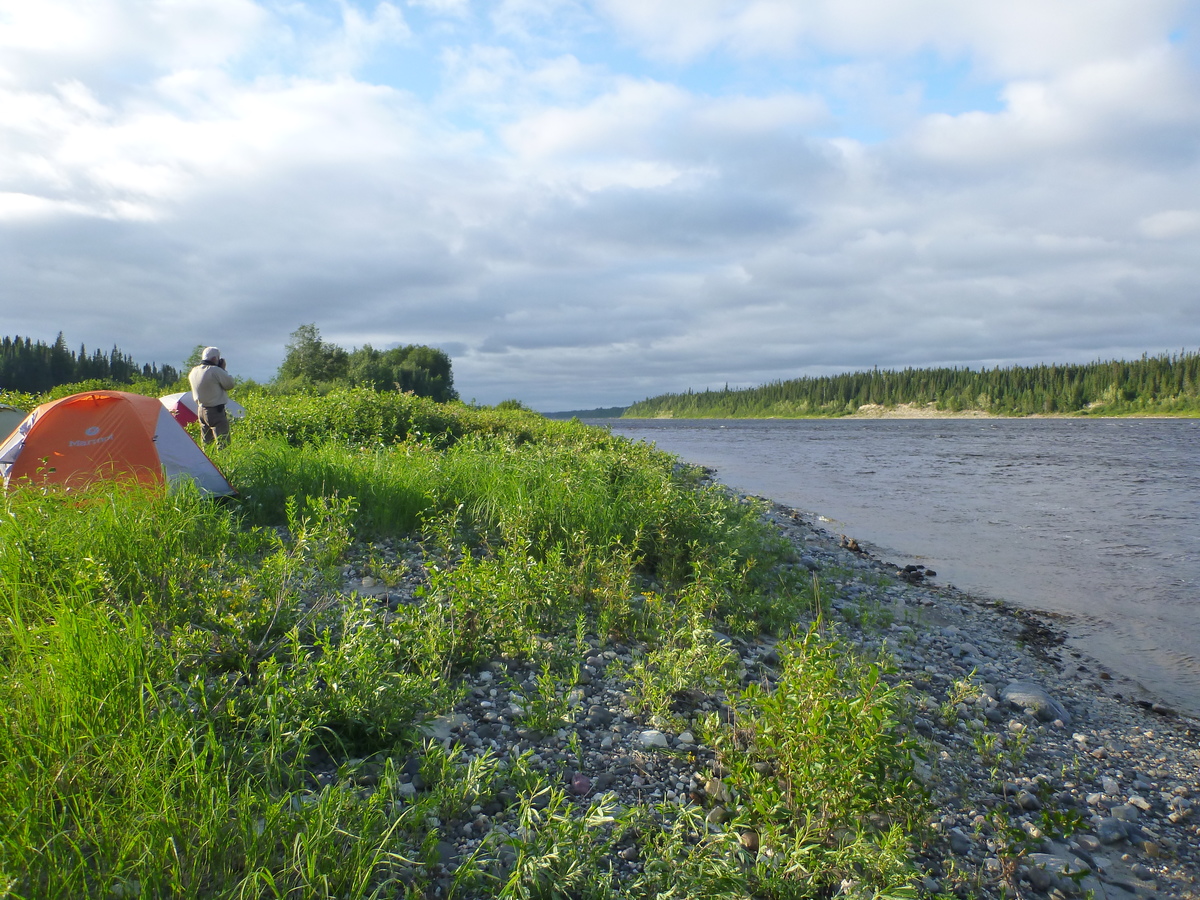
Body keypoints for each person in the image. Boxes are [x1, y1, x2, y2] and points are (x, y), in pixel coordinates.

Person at [189, 346, 235, 447]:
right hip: (215, 411)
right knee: (223, 444)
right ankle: (224, 462)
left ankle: (208, 462)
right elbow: (230, 384)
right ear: (215, 359)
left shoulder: (194, 371)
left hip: (201, 410)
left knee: (207, 444)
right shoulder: (215, 370)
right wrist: (223, 370)